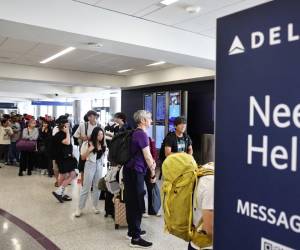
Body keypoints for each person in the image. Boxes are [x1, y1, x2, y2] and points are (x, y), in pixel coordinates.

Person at [123, 110, 156, 248]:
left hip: (129, 170)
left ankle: (132, 231)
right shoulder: (141, 134)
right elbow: (148, 156)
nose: (151, 121)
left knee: (131, 201)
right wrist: (153, 171)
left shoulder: (133, 132)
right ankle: (136, 238)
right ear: (142, 120)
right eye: (149, 118)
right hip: (136, 172)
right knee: (137, 203)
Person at [75, 127, 108, 217]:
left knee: (97, 187)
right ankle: (79, 208)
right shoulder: (87, 144)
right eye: (98, 134)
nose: (100, 136)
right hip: (89, 164)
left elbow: (103, 155)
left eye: (102, 134)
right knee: (86, 187)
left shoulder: (103, 143)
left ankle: (95, 206)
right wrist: (89, 149)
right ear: (95, 135)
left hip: (99, 165)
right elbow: (82, 157)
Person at [188, 163, 214, 250]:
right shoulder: (212, 182)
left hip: (195, 239)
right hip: (204, 245)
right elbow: (208, 228)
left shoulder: (205, 168)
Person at [52, 118, 77, 203]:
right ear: (63, 124)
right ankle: (59, 192)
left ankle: (60, 193)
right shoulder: (59, 134)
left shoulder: (64, 133)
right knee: (72, 175)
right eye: (67, 123)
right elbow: (67, 142)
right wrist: (67, 133)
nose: (69, 124)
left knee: (64, 176)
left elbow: (68, 146)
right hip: (63, 158)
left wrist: (72, 153)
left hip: (67, 157)